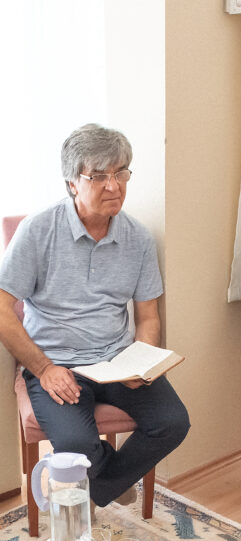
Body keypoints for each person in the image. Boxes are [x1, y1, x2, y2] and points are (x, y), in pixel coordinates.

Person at [0, 124, 189, 509]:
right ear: (72, 182)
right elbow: (2, 309)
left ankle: (99, 488)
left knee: (173, 421)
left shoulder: (137, 238)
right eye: (98, 176)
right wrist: (43, 367)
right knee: (75, 444)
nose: (113, 186)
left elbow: (148, 316)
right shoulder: (38, 230)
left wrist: (141, 362)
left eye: (121, 173)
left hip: (118, 362)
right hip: (57, 364)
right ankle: (113, 484)